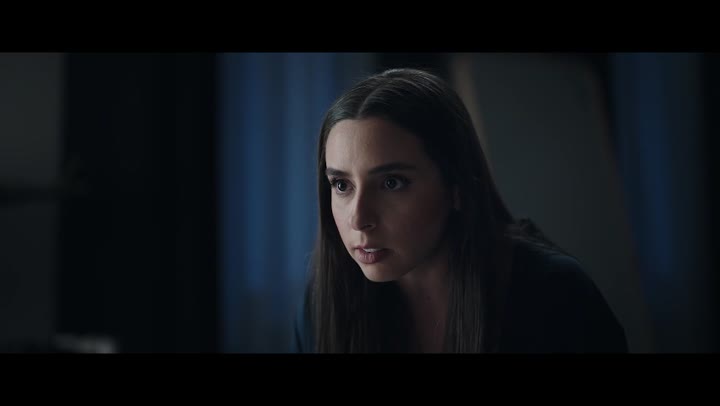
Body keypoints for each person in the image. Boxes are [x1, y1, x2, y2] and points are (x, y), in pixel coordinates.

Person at [293, 68, 627, 353]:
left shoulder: (555, 295)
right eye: (342, 185)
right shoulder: (325, 301)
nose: (358, 218)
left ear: (457, 186)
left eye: (392, 183)